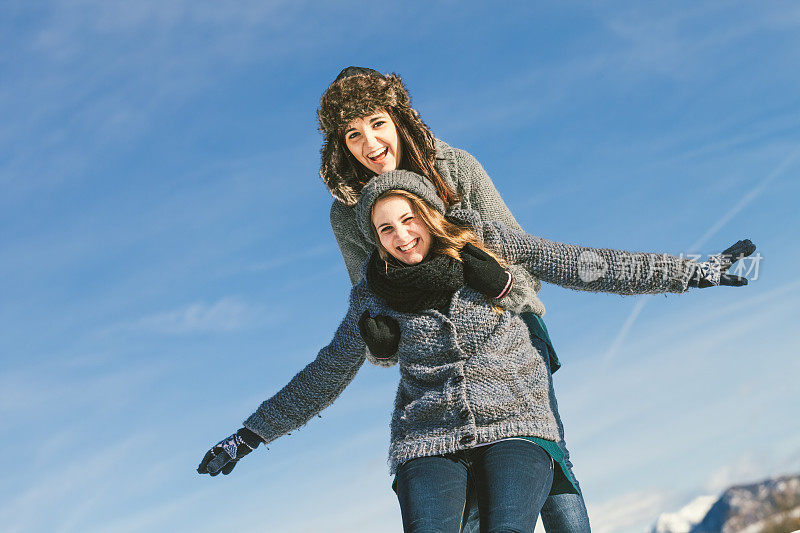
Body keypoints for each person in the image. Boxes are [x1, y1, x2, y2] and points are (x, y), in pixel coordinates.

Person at [198, 170, 755, 533]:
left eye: (409, 217)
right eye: (385, 228)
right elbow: (326, 373)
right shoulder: (374, 296)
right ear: (374, 238)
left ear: (429, 211)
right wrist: (248, 435)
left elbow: (584, 263)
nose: (402, 235)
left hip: (515, 421)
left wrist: (697, 272)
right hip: (428, 438)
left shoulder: (486, 242)